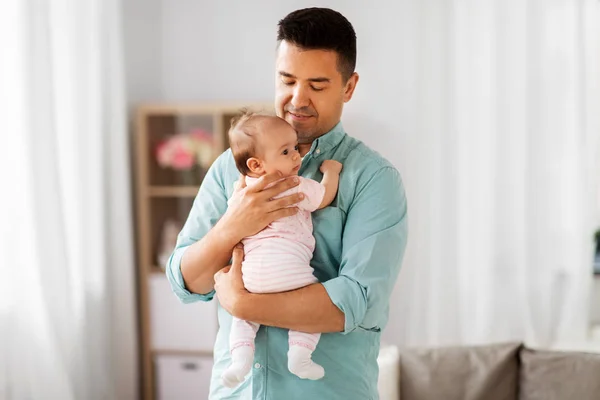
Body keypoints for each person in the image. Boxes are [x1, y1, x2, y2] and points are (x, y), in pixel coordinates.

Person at [166, 7, 408, 400]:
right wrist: (233, 225)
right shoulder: (231, 167)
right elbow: (185, 281)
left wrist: (242, 303)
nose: (298, 98)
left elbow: (352, 304)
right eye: (287, 79)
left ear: (348, 87)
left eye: (317, 84)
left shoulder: (373, 180)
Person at [221, 111, 342, 388]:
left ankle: (240, 360)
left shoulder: (241, 193)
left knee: (241, 318)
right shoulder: (292, 184)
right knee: (310, 307)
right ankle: (300, 354)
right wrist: (331, 172)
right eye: (286, 151)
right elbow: (323, 197)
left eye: (295, 148)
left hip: (250, 280)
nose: (297, 157)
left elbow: (231, 216)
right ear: (257, 164)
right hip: (290, 275)